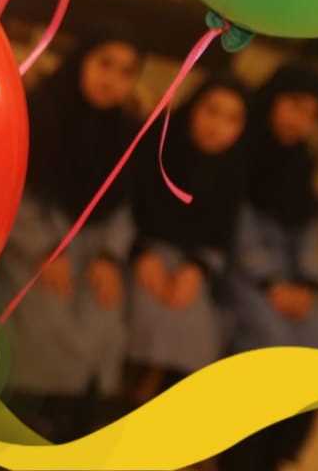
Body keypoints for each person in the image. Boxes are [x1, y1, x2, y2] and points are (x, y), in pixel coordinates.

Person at [0, 26, 143, 442]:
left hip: (93, 246)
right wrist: (45, 249)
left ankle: (74, 425)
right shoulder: (40, 111)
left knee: (105, 312)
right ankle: (17, 425)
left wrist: (109, 257)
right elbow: (12, 189)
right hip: (29, 240)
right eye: (104, 64)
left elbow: (123, 205)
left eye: (126, 72)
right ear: (81, 61)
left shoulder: (126, 131)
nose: (112, 80)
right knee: (43, 312)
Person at [219, 63, 318, 471]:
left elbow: (308, 229)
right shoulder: (242, 146)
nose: (300, 122)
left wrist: (306, 283)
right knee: (272, 342)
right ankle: (239, 457)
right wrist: (271, 282)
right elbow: (235, 221)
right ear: (273, 98)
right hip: (240, 269)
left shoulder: (300, 161)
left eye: (312, 115)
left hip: (288, 273)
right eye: (294, 106)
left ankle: (277, 454)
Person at [127, 76, 249, 403]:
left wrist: (197, 268)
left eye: (232, 119)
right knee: (143, 317)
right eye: (211, 111)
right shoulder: (156, 147)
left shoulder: (233, 171)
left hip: (191, 265)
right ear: (193, 107)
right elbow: (125, 207)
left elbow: (222, 235)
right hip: (136, 252)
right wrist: (140, 253)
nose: (217, 126)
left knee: (196, 331)